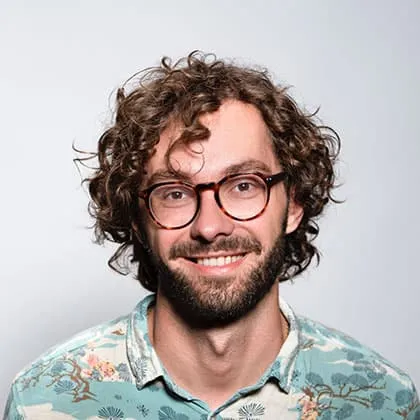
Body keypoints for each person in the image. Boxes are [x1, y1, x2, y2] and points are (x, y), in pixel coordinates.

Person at [4, 52, 419, 420]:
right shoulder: (45, 401)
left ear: (293, 204)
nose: (209, 226)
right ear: (137, 220)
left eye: (244, 185)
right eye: (175, 193)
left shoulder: (383, 402)